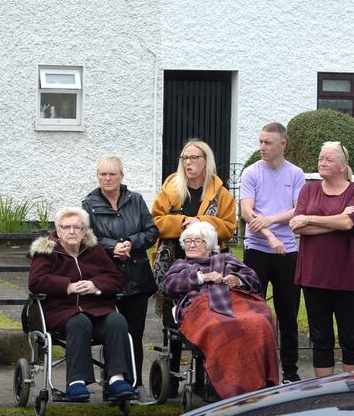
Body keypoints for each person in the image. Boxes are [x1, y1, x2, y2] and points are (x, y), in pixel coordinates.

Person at [151, 138, 237, 391]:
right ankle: (172, 378)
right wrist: (182, 223)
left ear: (205, 161)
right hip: (174, 261)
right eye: (184, 158)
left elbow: (230, 227)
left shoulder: (220, 192)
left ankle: (205, 378)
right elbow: (156, 221)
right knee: (173, 320)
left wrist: (200, 220)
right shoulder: (171, 187)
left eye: (194, 158)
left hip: (209, 263)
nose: (188, 162)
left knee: (208, 317)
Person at [28, 207, 135, 402]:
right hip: (61, 312)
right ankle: (76, 382)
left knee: (117, 320)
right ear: (58, 231)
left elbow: (116, 279)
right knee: (79, 322)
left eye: (77, 227)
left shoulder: (95, 251)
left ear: (84, 231)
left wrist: (95, 285)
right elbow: (36, 282)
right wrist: (67, 286)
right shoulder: (46, 252)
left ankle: (116, 379)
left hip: (97, 310)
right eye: (66, 227)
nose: (71, 231)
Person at [162, 221, 279, 398]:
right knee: (223, 326)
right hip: (202, 309)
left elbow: (253, 279)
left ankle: (260, 383)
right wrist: (202, 278)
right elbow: (169, 286)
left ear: (209, 245)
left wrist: (236, 280)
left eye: (198, 241)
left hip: (236, 303)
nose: (192, 244)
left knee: (259, 322)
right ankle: (229, 387)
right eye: (188, 241)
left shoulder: (226, 260)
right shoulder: (181, 265)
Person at [290, 141, 354, 377]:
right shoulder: (308, 190)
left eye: (328, 159)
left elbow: (348, 223)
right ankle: (323, 397)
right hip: (314, 276)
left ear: (343, 166)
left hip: (348, 277)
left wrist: (310, 219)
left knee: (351, 339)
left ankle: (353, 398)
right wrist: (334, 221)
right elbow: (296, 227)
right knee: (321, 338)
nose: (322, 162)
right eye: (320, 158)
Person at [81, 156, 158, 397]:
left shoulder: (135, 200)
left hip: (137, 277)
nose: (107, 179)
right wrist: (113, 246)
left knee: (135, 333)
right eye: (103, 174)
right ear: (97, 176)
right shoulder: (89, 204)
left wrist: (129, 243)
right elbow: (86, 236)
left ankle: (136, 384)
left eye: (112, 174)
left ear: (122, 176)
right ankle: (112, 383)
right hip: (107, 278)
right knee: (112, 332)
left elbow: (152, 231)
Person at [239, 122, 305, 383]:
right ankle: (254, 372)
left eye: (267, 142)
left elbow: (298, 209)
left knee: (288, 314)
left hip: (287, 251)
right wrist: (267, 232)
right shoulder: (251, 172)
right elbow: (247, 211)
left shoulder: (296, 174)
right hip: (256, 249)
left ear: (283, 144)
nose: (262, 147)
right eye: (260, 142)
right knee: (253, 313)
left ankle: (290, 372)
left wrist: (270, 221)